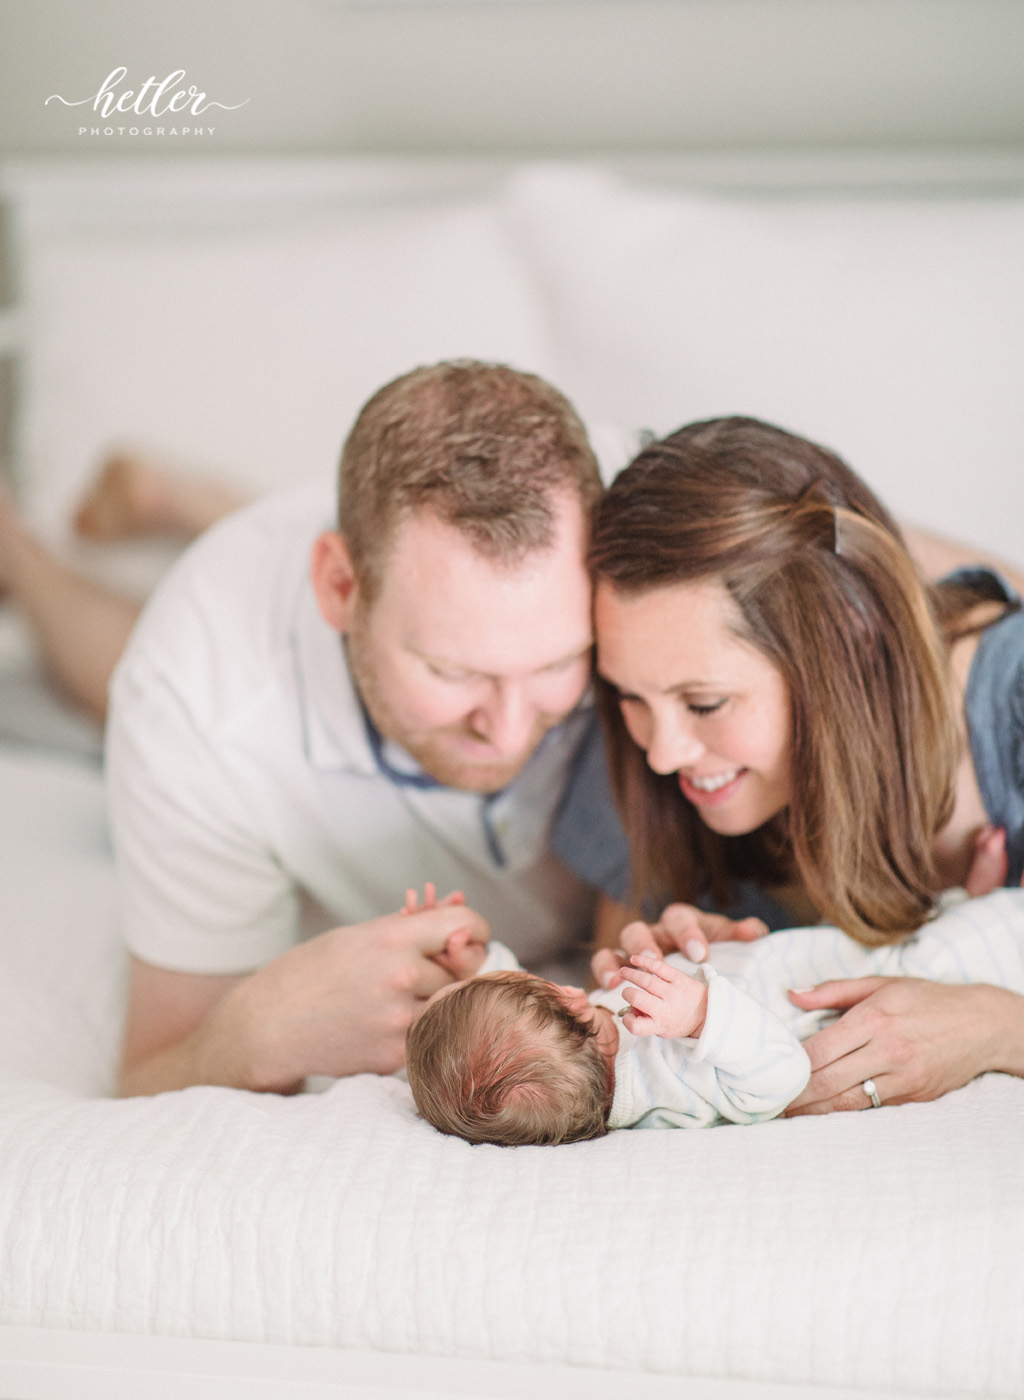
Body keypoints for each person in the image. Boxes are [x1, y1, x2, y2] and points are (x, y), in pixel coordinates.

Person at [101, 360, 619, 1097]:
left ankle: (183, 497)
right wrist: (263, 1026)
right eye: (451, 671)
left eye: (559, 663)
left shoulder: (645, 534)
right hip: (227, 640)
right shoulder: (195, 691)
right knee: (102, 680)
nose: (507, 732)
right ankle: (19, 556)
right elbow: (150, 1076)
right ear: (339, 588)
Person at [551, 415, 1024, 1117]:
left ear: (846, 649)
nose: (663, 752)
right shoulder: (637, 766)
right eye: (629, 695)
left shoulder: (1008, 706)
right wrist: (693, 964)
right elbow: (608, 1037)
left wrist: (997, 1026)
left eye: (706, 702)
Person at [405, 887, 1024, 1145]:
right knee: (987, 931)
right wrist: (706, 1017)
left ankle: (961, 895)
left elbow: (506, 1015)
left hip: (837, 942)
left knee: (944, 914)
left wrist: (475, 960)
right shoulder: (667, 1087)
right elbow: (780, 1079)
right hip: (912, 978)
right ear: (566, 998)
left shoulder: (578, 1057)